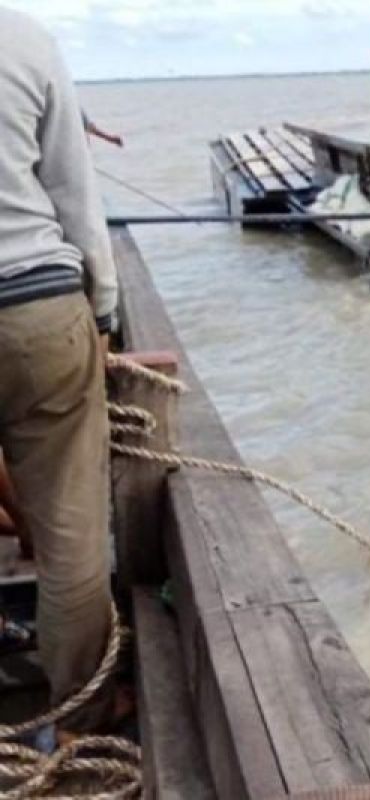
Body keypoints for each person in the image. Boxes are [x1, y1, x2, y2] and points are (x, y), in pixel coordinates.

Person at [0, 8, 120, 737]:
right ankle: (81, 718)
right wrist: (102, 308)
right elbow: (75, 191)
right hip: (38, 307)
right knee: (73, 538)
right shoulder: (27, 40)